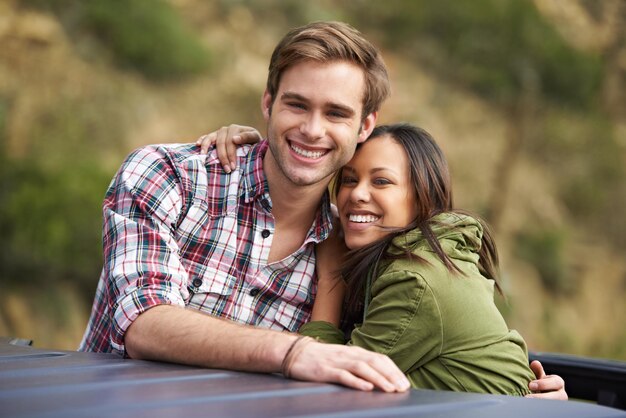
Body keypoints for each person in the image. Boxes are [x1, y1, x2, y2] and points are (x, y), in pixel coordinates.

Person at [81, 20, 565, 397]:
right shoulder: (170, 177)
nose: (312, 130)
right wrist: (294, 353)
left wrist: (522, 395)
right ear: (267, 103)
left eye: (335, 113)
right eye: (296, 105)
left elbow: (407, 354)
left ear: (363, 127)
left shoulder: (356, 249)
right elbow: (143, 323)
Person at [197, 124, 567, 399]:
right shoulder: (409, 256)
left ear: (423, 196)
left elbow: (325, 386)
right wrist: (248, 146)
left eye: (382, 182)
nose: (357, 195)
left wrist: (330, 276)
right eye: (348, 179)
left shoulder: (416, 279)